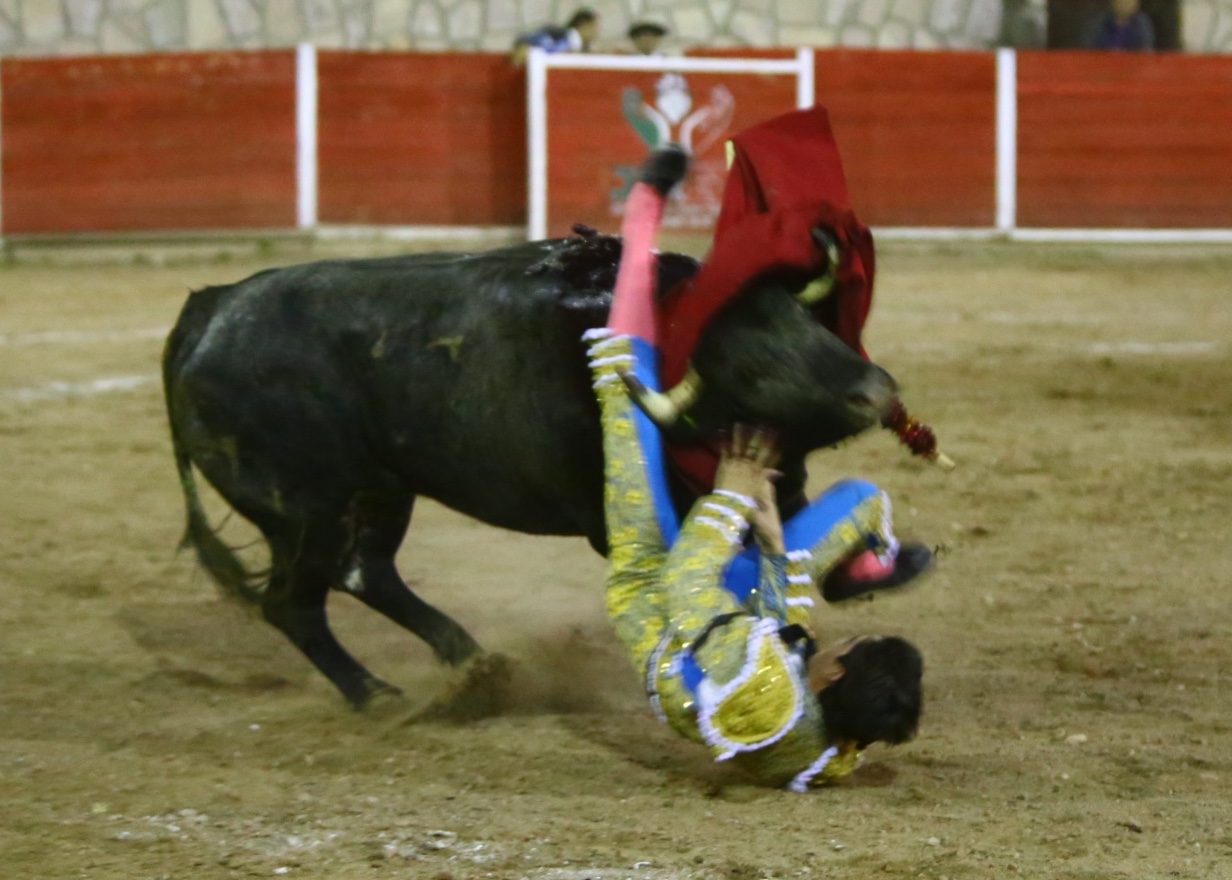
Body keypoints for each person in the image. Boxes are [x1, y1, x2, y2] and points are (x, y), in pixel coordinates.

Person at [585, 149, 931, 790]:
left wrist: (730, 495)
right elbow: (789, 633)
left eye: (844, 651)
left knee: (623, 390)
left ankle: (641, 211)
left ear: (832, 678)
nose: (837, 647)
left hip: (651, 585)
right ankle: (853, 560)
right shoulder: (841, 741)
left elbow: (683, 586)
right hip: (726, 624)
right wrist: (772, 544)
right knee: (854, 506)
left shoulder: (762, 679)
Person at [511, 7, 600, 65]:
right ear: (585, 25)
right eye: (595, 26)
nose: (597, 32)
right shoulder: (557, 34)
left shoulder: (584, 48)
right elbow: (524, 44)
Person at [1085, 0, 1155, 51]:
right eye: (1121, 1)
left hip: (1134, 68)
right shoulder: (1098, 23)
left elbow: (1145, 52)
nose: (1125, 4)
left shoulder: (1143, 24)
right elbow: (1087, 51)